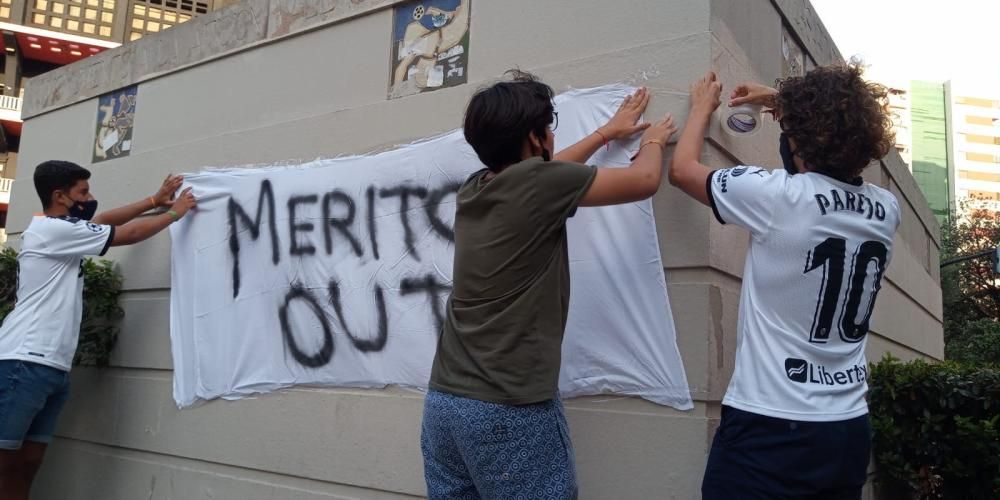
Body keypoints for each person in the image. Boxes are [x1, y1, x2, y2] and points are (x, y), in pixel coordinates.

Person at [420, 70, 676, 499]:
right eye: (548, 128)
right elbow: (644, 182)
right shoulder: (540, 184)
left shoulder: (476, 188)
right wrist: (653, 140)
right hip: (506, 409)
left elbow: (549, 174)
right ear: (537, 139)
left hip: (445, 406)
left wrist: (602, 134)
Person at [669, 67, 899, 499]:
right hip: (846, 427)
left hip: (771, 427)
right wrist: (785, 104)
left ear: (797, 141)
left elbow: (681, 171)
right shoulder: (886, 209)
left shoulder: (777, 197)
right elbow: (837, 132)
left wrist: (701, 107)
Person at [0, 160, 197, 499]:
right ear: (59, 196)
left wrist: (153, 201)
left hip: (52, 368)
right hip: (23, 362)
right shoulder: (51, 230)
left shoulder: (65, 231)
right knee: (4, 462)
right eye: (83, 191)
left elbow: (102, 221)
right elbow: (127, 234)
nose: (90, 197)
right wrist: (176, 213)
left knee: (29, 461)